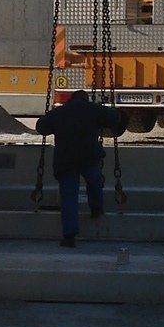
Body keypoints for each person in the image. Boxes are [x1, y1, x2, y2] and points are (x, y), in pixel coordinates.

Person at [35, 91, 127, 247]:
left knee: (69, 195)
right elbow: (115, 118)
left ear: (71, 100)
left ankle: (69, 236)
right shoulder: (94, 109)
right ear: (86, 99)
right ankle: (96, 209)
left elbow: (41, 127)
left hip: (66, 159)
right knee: (94, 182)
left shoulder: (60, 112)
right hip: (89, 157)